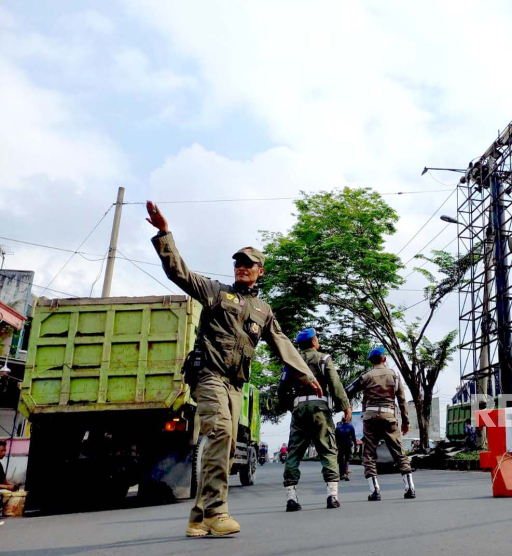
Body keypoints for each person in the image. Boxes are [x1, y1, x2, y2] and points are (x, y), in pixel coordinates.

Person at [146, 201, 322, 538]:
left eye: (249, 264)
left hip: (235, 384)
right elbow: (179, 273)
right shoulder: (217, 293)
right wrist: (164, 235)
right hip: (209, 374)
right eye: (238, 263)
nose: (242, 267)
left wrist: (307, 376)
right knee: (221, 432)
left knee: (225, 449)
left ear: (260, 271)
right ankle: (217, 511)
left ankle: (198, 518)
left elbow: (282, 343)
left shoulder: (263, 310)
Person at [278, 328, 351, 511]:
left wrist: (293, 406)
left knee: (294, 452)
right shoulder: (324, 359)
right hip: (320, 410)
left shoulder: (292, 362)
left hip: (299, 410)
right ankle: (332, 497)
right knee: (328, 450)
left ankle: (291, 498)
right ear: (313, 342)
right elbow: (335, 384)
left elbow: (281, 390)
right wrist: (345, 406)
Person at [346, 346, 415, 501]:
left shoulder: (365, 377)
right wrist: (405, 421)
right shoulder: (395, 376)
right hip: (389, 417)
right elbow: (402, 401)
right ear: (384, 359)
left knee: (369, 454)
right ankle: (410, 488)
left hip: (370, 418)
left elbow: (347, 390)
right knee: (399, 453)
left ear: (371, 361)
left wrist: (346, 407)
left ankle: (374, 491)